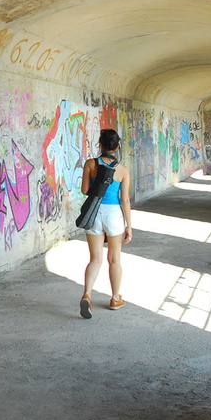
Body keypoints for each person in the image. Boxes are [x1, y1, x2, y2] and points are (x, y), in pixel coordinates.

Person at [79, 128, 132, 319]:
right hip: (114, 214)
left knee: (95, 259)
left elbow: (85, 190)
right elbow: (125, 200)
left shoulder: (90, 164)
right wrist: (129, 226)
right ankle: (115, 298)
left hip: (94, 212)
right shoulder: (123, 170)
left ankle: (87, 294)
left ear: (100, 145)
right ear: (117, 147)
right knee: (114, 259)